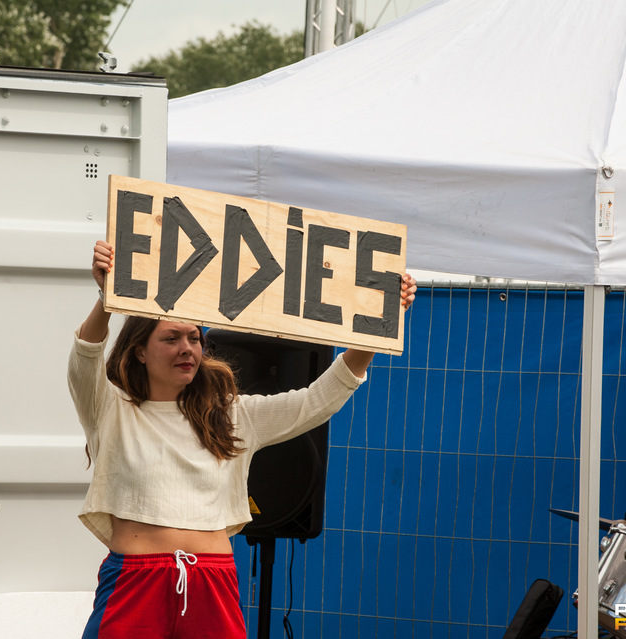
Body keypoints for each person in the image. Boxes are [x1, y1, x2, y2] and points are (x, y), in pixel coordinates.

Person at [69, 240, 417, 639]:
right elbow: (86, 355)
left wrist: (379, 324)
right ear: (140, 352)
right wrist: (106, 296)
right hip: (136, 583)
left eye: (195, 337)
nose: (187, 348)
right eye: (171, 339)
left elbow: (320, 399)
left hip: (213, 586)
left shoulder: (233, 415)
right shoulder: (111, 410)